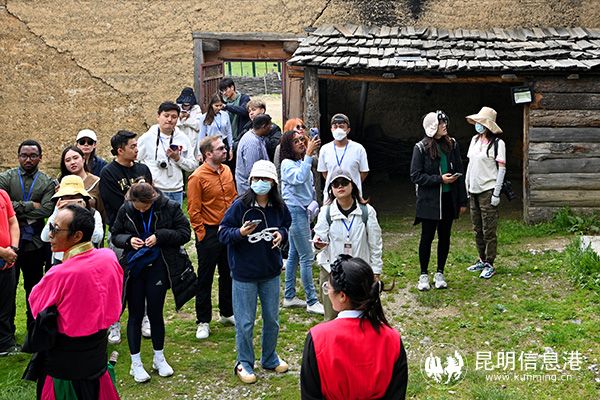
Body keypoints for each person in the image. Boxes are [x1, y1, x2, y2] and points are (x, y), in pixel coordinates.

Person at [26, 205, 123, 399]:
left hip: (67, 365)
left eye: (55, 229)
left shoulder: (60, 273)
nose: (50, 234)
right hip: (97, 353)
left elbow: (37, 308)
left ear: (77, 236)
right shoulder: (108, 257)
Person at [218, 160, 291, 384]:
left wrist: (281, 234)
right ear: (250, 181)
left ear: (273, 182)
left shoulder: (278, 206)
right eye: (257, 179)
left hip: (270, 272)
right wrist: (240, 233)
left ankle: (269, 357)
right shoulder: (239, 206)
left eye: (265, 179)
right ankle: (244, 362)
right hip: (244, 274)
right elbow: (223, 233)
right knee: (245, 322)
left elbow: (286, 225)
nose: (261, 183)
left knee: (272, 319)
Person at [111, 182, 192, 383]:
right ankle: (135, 363)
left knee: (156, 313)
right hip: (134, 267)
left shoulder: (170, 207)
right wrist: (129, 240)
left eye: (145, 207)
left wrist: (160, 236)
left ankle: (159, 358)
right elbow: (115, 235)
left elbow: (185, 233)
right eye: (137, 207)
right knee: (135, 314)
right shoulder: (126, 209)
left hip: (159, 265)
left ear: (153, 199)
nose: (141, 210)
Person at [300, 255, 408, 400]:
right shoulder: (392, 339)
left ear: (342, 296)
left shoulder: (318, 338)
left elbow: (310, 395)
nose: (328, 292)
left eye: (328, 287)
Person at [99, 130, 153, 344]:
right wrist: (137, 196)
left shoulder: (143, 169)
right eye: (132, 146)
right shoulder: (108, 173)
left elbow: (151, 198)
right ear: (120, 150)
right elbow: (119, 205)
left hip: (144, 232)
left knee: (144, 275)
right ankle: (114, 322)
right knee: (118, 279)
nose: (137, 149)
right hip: (121, 234)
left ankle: (144, 318)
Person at [312, 168, 383, 321]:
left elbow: (375, 244)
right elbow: (317, 242)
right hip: (332, 272)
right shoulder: (326, 212)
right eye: (335, 184)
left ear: (353, 185)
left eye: (344, 182)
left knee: (362, 318)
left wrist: (376, 271)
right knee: (331, 319)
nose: (340, 186)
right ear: (331, 189)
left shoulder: (367, 212)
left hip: (359, 273)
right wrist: (318, 245)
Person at [0, 140, 55, 331]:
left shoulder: (46, 182)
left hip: (35, 243)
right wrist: (32, 205)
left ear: (40, 157)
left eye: (33, 156)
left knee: (34, 289)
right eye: (24, 155)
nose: (28, 159)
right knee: (7, 290)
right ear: (18, 157)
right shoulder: (6, 178)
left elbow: (47, 210)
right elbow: (3, 205)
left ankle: (34, 330)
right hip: (9, 243)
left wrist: (14, 207)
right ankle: (7, 332)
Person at [410, 111, 468, 291]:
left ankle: (440, 273)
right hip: (429, 201)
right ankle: (423, 275)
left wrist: (462, 200)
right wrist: (439, 179)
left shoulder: (452, 144)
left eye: (445, 122)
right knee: (427, 237)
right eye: (441, 123)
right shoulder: (421, 148)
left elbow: (460, 169)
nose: (444, 126)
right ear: (432, 126)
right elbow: (416, 175)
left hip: (448, 199)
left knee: (445, 237)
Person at [187, 136, 237, 340]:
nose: (225, 151)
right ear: (208, 154)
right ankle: (203, 320)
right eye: (220, 148)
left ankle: (227, 312)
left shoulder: (227, 170)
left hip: (228, 230)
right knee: (205, 277)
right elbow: (193, 209)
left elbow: (233, 198)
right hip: (209, 232)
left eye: (224, 147)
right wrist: (201, 234)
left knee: (228, 272)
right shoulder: (197, 177)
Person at [280, 131, 324, 315]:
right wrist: (308, 155)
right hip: (295, 211)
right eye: (295, 141)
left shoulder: (300, 161)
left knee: (294, 254)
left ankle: (289, 296)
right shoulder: (287, 163)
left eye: (301, 140)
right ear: (288, 146)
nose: (301, 143)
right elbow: (298, 179)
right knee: (307, 256)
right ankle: (312, 301)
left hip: (302, 210)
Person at [465, 107, 506, 279]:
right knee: (477, 228)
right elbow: (470, 164)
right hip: (473, 190)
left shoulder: (498, 144)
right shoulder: (474, 140)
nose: (478, 125)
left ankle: (490, 263)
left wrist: (496, 193)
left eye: (481, 122)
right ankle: (481, 259)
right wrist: (467, 185)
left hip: (487, 190)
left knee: (489, 229)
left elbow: (501, 169)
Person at [137, 101, 198, 206]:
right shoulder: (147, 138)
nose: (169, 120)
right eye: (166, 116)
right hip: (155, 189)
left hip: (176, 190)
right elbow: (136, 161)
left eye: (174, 117)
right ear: (158, 116)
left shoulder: (183, 138)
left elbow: (193, 165)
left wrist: (178, 159)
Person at [41, 175, 104, 265]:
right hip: (61, 259)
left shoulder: (94, 214)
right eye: (66, 197)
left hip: (85, 259)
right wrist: (56, 212)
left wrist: (83, 215)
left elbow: (97, 238)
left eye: (74, 197)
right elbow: (45, 237)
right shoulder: (57, 215)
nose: (70, 201)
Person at [317, 113, 369, 201]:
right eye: (335, 127)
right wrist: (336, 184)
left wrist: (351, 185)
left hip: (353, 196)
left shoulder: (358, 149)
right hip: (331, 196)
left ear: (348, 130)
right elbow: (324, 172)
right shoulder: (325, 149)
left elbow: (364, 172)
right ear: (331, 129)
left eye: (341, 127)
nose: (338, 129)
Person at [59, 145, 105, 221]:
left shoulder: (97, 182)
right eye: (68, 160)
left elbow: (102, 211)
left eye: (75, 158)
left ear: (83, 159)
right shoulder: (61, 184)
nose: (72, 162)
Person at [0, 188, 20, 356]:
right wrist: (2, 252)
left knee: (6, 303)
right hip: (4, 256)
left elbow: (13, 222)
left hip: (7, 262)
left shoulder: (2, 194)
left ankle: (5, 343)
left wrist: (13, 249)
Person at [234, 114, 271, 194]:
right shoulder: (252, 143)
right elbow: (252, 171)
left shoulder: (257, 137)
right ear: (263, 126)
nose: (271, 128)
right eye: (269, 125)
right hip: (250, 189)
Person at [196, 93, 234, 162]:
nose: (219, 108)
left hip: (224, 142)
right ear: (211, 105)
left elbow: (229, 132)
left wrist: (231, 148)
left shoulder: (225, 115)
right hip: (211, 144)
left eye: (220, 105)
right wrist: (199, 153)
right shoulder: (204, 117)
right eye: (216, 106)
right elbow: (201, 136)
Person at [219, 77, 250, 146]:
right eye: (222, 91)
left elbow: (244, 111)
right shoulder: (224, 102)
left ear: (232, 87)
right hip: (228, 137)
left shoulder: (244, 98)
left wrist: (227, 107)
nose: (224, 93)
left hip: (241, 135)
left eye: (226, 90)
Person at [175, 87, 202, 151]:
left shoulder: (196, 108)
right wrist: (180, 117)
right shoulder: (176, 108)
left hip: (192, 138)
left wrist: (187, 119)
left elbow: (199, 125)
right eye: (184, 105)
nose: (186, 107)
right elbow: (172, 124)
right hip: (179, 138)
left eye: (188, 105)